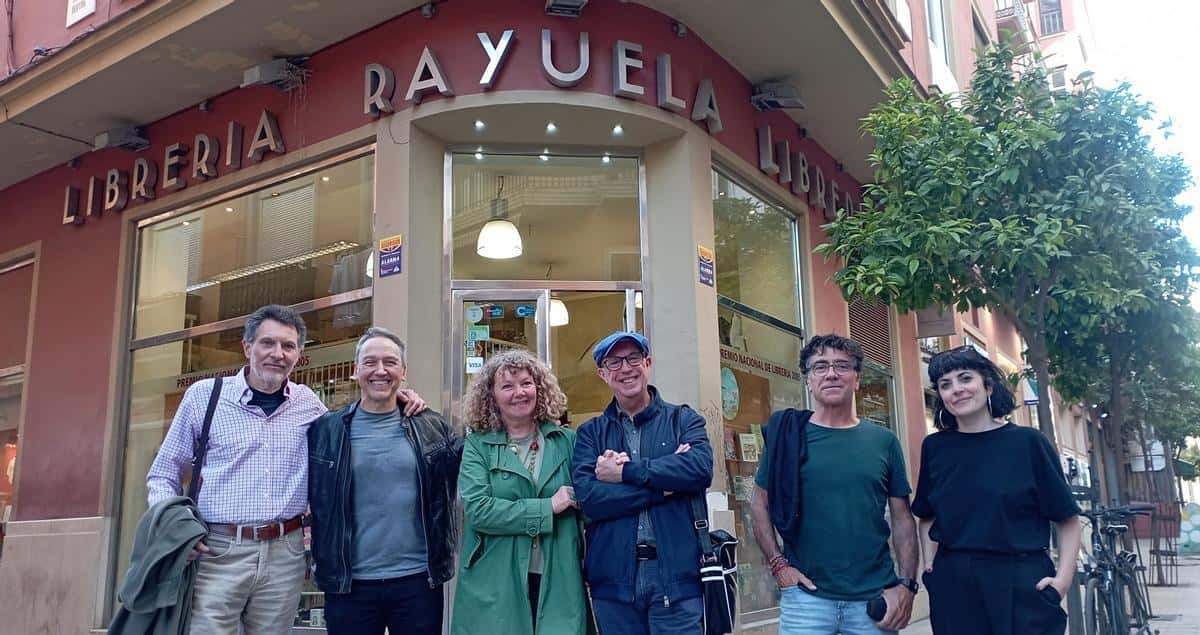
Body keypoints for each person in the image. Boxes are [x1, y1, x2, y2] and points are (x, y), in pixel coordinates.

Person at [145, 306, 425, 634]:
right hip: (217, 550)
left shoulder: (308, 404)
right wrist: (177, 530)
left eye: (288, 346)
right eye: (268, 343)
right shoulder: (205, 397)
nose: (278, 354)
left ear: (298, 355)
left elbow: (354, 420)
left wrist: (396, 397)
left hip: (285, 554)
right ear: (247, 347)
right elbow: (164, 473)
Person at [750, 334, 919, 635]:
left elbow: (902, 517)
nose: (831, 374)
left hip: (873, 598)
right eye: (820, 367)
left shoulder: (884, 441)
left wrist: (906, 585)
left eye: (842, 366)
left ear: (857, 379)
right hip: (806, 600)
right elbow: (759, 503)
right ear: (808, 380)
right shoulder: (787, 437)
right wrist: (779, 565)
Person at [912, 345, 1082, 634]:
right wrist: (930, 565)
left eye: (966, 378)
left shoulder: (1029, 443)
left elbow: (1067, 518)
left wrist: (1062, 582)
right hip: (955, 587)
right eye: (945, 384)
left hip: (1022, 582)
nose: (957, 390)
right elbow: (926, 514)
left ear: (988, 385)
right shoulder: (935, 447)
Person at [307, 326, 459, 634]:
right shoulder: (325, 430)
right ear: (355, 370)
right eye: (370, 362)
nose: (380, 370)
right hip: (349, 583)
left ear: (404, 372)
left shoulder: (432, 427)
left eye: (390, 362)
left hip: (418, 581)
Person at [572, 331, 714, 635]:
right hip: (614, 584)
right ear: (602, 374)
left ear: (647, 362)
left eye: (633, 358)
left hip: (676, 580)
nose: (626, 368)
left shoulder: (683, 420)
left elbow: (700, 469)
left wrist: (625, 472)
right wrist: (665, 487)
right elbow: (590, 499)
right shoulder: (590, 434)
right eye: (614, 362)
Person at [451, 349, 586, 635]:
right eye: (507, 386)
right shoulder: (478, 446)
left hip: (559, 576)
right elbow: (479, 510)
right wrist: (548, 507)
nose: (519, 393)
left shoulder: (567, 442)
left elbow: (589, 500)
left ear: (539, 388)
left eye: (526, 383)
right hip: (495, 578)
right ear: (492, 396)